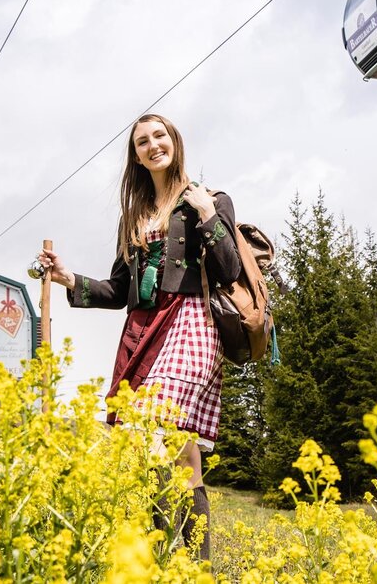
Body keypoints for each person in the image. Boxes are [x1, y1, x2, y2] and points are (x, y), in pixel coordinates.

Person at [37, 113, 240, 560]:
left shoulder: (209, 199)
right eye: (142, 142)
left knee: (151, 434)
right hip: (143, 333)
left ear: (175, 141)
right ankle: (181, 564)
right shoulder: (134, 218)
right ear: (137, 157)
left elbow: (229, 269)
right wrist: (69, 278)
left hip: (191, 325)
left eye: (159, 136)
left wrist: (208, 215)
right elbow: (118, 292)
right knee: (178, 456)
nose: (153, 145)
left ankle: (181, 561)